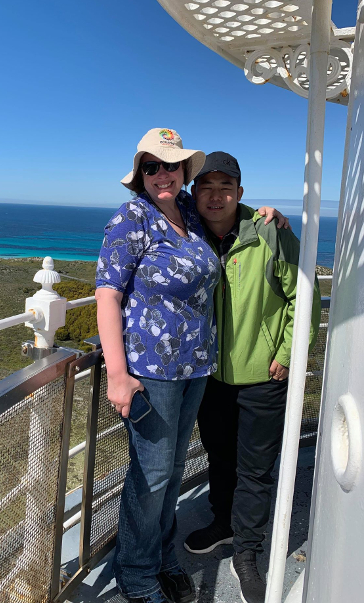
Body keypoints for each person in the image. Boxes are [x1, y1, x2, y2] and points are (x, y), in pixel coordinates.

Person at [95, 131, 287, 603]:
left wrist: (269, 216)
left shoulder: (188, 212)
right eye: (151, 167)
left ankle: (162, 558)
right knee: (151, 475)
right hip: (152, 372)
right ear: (140, 174)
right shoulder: (132, 217)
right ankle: (137, 573)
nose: (163, 174)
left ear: (184, 171)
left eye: (171, 165)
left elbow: (225, 207)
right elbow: (107, 296)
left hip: (195, 370)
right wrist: (117, 374)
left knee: (173, 470)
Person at [183, 152, 321, 603]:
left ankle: (247, 554)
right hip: (210, 375)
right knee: (220, 457)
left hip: (263, 374)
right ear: (194, 193)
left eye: (226, 186)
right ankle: (224, 523)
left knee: (256, 470)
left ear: (240, 193)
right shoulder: (186, 235)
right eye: (206, 186)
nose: (216, 195)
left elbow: (304, 294)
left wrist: (285, 352)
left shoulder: (270, 233)